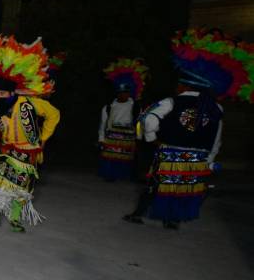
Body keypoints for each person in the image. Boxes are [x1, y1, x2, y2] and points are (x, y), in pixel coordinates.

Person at [123, 29, 251, 229]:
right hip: (197, 159)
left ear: (183, 85)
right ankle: (171, 220)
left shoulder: (172, 101)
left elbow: (148, 118)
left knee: (156, 185)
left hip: (171, 154)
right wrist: (209, 159)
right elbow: (217, 137)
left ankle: (138, 214)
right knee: (183, 189)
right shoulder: (216, 108)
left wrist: (151, 139)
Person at [0, 35, 60, 232]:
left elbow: (54, 114)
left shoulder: (30, 104)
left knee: (23, 188)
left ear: (12, 94)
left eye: (2, 95)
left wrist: (43, 138)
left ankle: (15, 218)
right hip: (4, 151)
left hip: (28, 153)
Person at [98, 58, 148, 182]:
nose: (123, 95)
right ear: (117, 93)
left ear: (130, 93)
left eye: (125, 92)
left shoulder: (135, 106)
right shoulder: (109, 107)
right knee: (110, 158)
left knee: (125, 158)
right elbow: (103, 124)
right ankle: (109, 176)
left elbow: (139, 123)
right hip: (112, 136)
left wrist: (139, 138)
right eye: (120, 92)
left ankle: (124, 176)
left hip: (128, 136)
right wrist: (101, 139)